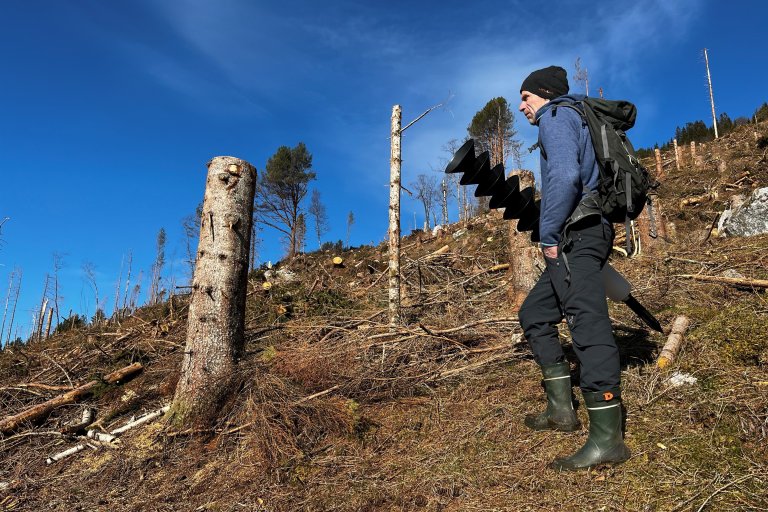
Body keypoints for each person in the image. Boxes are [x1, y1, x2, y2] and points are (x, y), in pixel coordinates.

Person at [516, 65, 630, 471]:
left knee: (587, 324)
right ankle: (561, 412)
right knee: (534, 313)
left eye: (525, 96)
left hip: (578, 234)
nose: (521, 105)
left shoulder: (556, 116)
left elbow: (564, 176)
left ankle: (607, 439)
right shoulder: (571, 116)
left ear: (543, 93)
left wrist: (547, 234)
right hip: (580, 235)